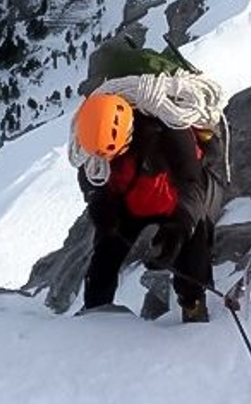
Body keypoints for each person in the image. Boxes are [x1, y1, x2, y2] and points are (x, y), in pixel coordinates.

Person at [73, 92, 223, 322]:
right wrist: (97, 202)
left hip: (174, 202)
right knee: (105, 252)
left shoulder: (171, 131)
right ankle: (95, 310)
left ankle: (193, 304)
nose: (107, 160)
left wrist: (180, 227)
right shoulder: (92, 144)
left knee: (193, 246)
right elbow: (91, 178)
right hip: (129, 202)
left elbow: (192, 185)